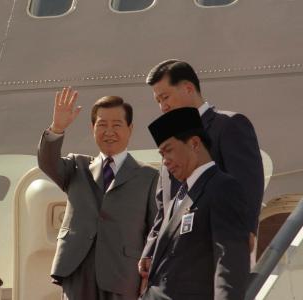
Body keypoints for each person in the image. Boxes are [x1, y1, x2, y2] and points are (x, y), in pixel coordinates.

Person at [37, 87, 158, 300]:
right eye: (102, 125)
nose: (109, 132)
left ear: (130, 129)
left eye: (117, 125)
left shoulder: (148, 176)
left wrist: (149, 275)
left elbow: (154, 231)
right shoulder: (77, 167)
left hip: (123, 275)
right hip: (77, 269)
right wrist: (57, 127)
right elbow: (47, 162)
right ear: (93, 128)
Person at [143, 59, 264, 256]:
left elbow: (247, 186)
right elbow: (164, 206)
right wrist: (150, 251)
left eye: (165, 97)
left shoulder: (229, 126)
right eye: (158, 101)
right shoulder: (169, 141)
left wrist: (244, 232)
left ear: (189, 88)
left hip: (216, 249)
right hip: (175, 261)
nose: (163, 107)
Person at [140, 107, 250, 300]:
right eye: (161, 155)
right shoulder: (179, 197)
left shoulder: (222, 187)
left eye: (169, 150)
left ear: (194, 143)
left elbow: (229, 260)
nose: (165, 161)